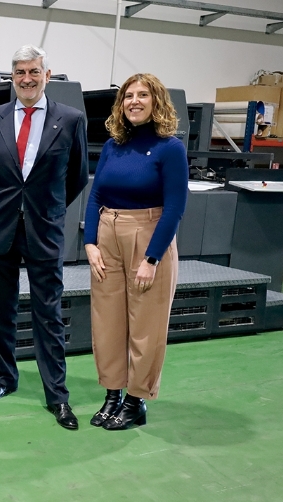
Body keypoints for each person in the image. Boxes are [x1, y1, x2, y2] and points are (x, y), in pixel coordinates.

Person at [0, 45, 88, 430]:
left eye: (34, 71)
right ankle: (6, 377)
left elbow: (77, 176)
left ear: (47, 74)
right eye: (20, 72)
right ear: (12, 76)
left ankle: (57, 396)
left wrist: (46, 206)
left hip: (44, 228)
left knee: (48, 314)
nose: (27, 78)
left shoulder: (71, 119)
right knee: (0, 309)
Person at [83, 73, 188, 430]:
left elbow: (175, 206)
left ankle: (136, 400)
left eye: (143, 95)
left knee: (146, 326)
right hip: (108, 233)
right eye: (128, 96)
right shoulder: (114, 145)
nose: (134, 101)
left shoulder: (170, 148)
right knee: (107, 322)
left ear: (157, 101)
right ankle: (112, 394)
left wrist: (153, 258)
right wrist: (90, 243)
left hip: (148, 234)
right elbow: (95, 194)